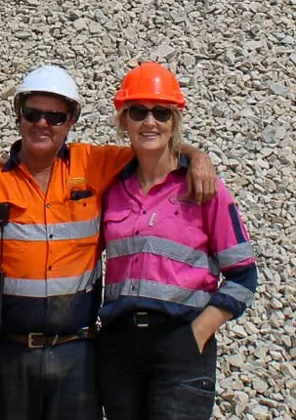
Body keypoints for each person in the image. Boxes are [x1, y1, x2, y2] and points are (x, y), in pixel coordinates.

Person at [0, 65, 217, 420]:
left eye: (55, 116)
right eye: (32, 113)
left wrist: (196, 157)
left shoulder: (95, 164)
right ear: (18, 116)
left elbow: (154, 143)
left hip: (77, 357)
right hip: (9, 355)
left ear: (71, 121)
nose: (42, 124)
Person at [97, 62, 258, 420]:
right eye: (138, 112)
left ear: (174, 121)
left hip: (180, 344)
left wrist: (197, 335)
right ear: (124, 121)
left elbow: (244, 275)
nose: (149, 122)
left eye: (161, 113)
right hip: (119, 348)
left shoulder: (204, 189)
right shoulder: (112, 189)